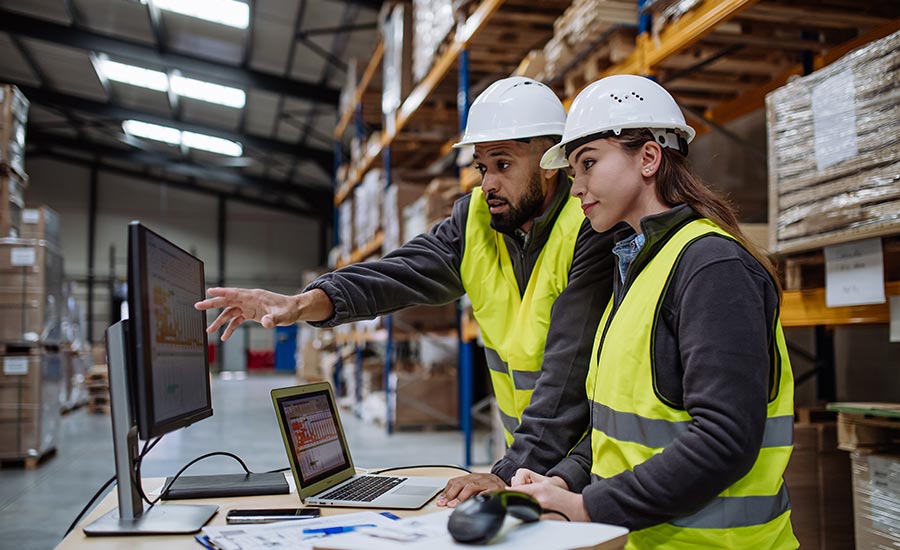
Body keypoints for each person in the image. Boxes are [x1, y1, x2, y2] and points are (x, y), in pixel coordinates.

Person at [195, 77, 621, 507]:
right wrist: (301, 304)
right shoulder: (474, 220)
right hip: (528, 462)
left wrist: (509, 471)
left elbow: (568, 369)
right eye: (481, 167)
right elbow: (395, 274)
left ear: (550, 163)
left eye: (503, 165)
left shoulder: (591, 226)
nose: (488, 183)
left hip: (586, 465)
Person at [509, 74, 797, 549]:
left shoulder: (712, 267)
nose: (575, 187)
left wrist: (588, 508)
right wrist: (563, 481)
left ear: (648, 158)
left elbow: (724, 441)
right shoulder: (639, 263)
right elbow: (624, 428)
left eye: (588, 164)